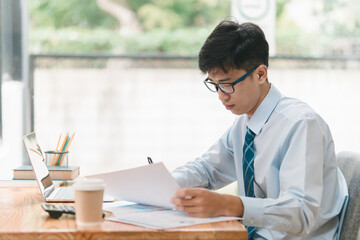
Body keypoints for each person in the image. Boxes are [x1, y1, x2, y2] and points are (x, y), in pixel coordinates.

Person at [170, 20, 348, 239]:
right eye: (214, 85)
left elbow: (301, 212)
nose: (221, 95)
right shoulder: (245, 125)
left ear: (261, 74)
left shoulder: (301, 124)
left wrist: (231, 205)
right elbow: (207, 169)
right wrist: (162, 184)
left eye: (227, 84)